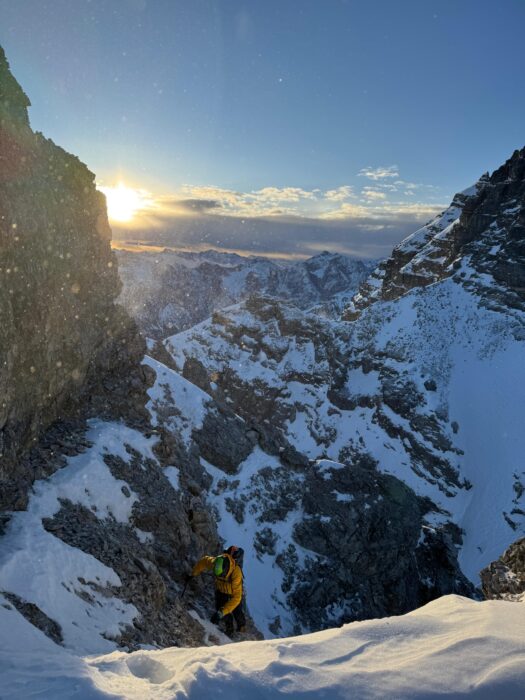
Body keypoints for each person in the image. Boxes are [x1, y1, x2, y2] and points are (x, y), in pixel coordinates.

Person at [190, 545, 246, 636]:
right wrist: (193, 573)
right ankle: (229, 629)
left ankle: (241, 626)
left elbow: (236, 598)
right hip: (221, 590)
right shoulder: (216, 562)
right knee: (220, 608)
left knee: (236, 609)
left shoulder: (236, 572)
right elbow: (204, 561)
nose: (220, 577)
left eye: (222, 575)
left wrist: (221, 613)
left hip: (233, 592)